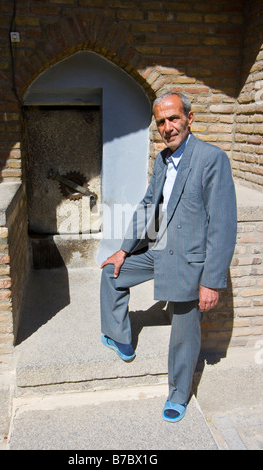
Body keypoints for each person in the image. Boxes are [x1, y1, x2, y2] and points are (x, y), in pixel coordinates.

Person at [100, 92, 237, 423]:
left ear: (189, 119)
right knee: (112, 273)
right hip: (159, 249)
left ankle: (179, 392)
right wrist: (123, 249)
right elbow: (148, 207)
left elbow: (222, 223)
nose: (168, 126)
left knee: (184, 332)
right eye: (161, 121)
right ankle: (120, 338)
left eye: (174, 118)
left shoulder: (211, 158)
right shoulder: (162, 160)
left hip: (191, 261)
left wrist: (210, 281)